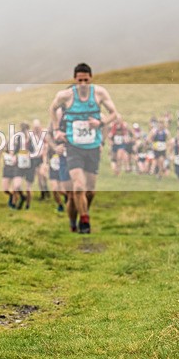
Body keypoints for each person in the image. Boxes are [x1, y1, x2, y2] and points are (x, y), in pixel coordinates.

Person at [49, 63, 119, 234]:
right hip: (73, 147)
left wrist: (100, 123)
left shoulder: (100, 93)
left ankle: (79, 214)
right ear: (75, 79)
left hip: (92, 147)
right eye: (79, 80)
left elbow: (114, 114)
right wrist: (57, 130)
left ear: (91, 78)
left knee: (90, 191)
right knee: (77, 188)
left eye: (86, 80)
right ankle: (84, 221)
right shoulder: (65, 96)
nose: (82, 84)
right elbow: (52, 108)